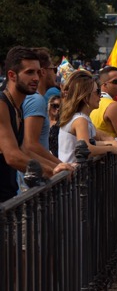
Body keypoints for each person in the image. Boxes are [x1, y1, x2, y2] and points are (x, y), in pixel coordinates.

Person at [0, 47, 71, 202]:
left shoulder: (16, 106)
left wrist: (59, 166)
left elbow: (24, 149)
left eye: (38, 72)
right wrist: (52, 171)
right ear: (12, 75)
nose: (36, 78)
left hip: (8, 197)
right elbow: (12, 156)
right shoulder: (2, 105)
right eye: (29, 72)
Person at [18, 48, 67, 188]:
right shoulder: (36, 100)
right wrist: (58, 166)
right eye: (54, 68)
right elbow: (30, 145)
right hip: (34, 180)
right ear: (44, 71)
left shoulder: (31, 98)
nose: (56, 73)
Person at [58, 71, 117, 163]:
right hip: (73, 174)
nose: (100, 96)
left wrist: (109, 143)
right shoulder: (80, 120)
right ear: (85, 97)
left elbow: (90, 143)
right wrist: (111, 148)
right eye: (97, 92)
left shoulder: (81, 117)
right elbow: (87, 149)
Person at [90, 66, 117, 138]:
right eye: (116, 82)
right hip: (110, 147)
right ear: (105, 85)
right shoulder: (113, 106)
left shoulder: (92, 101)